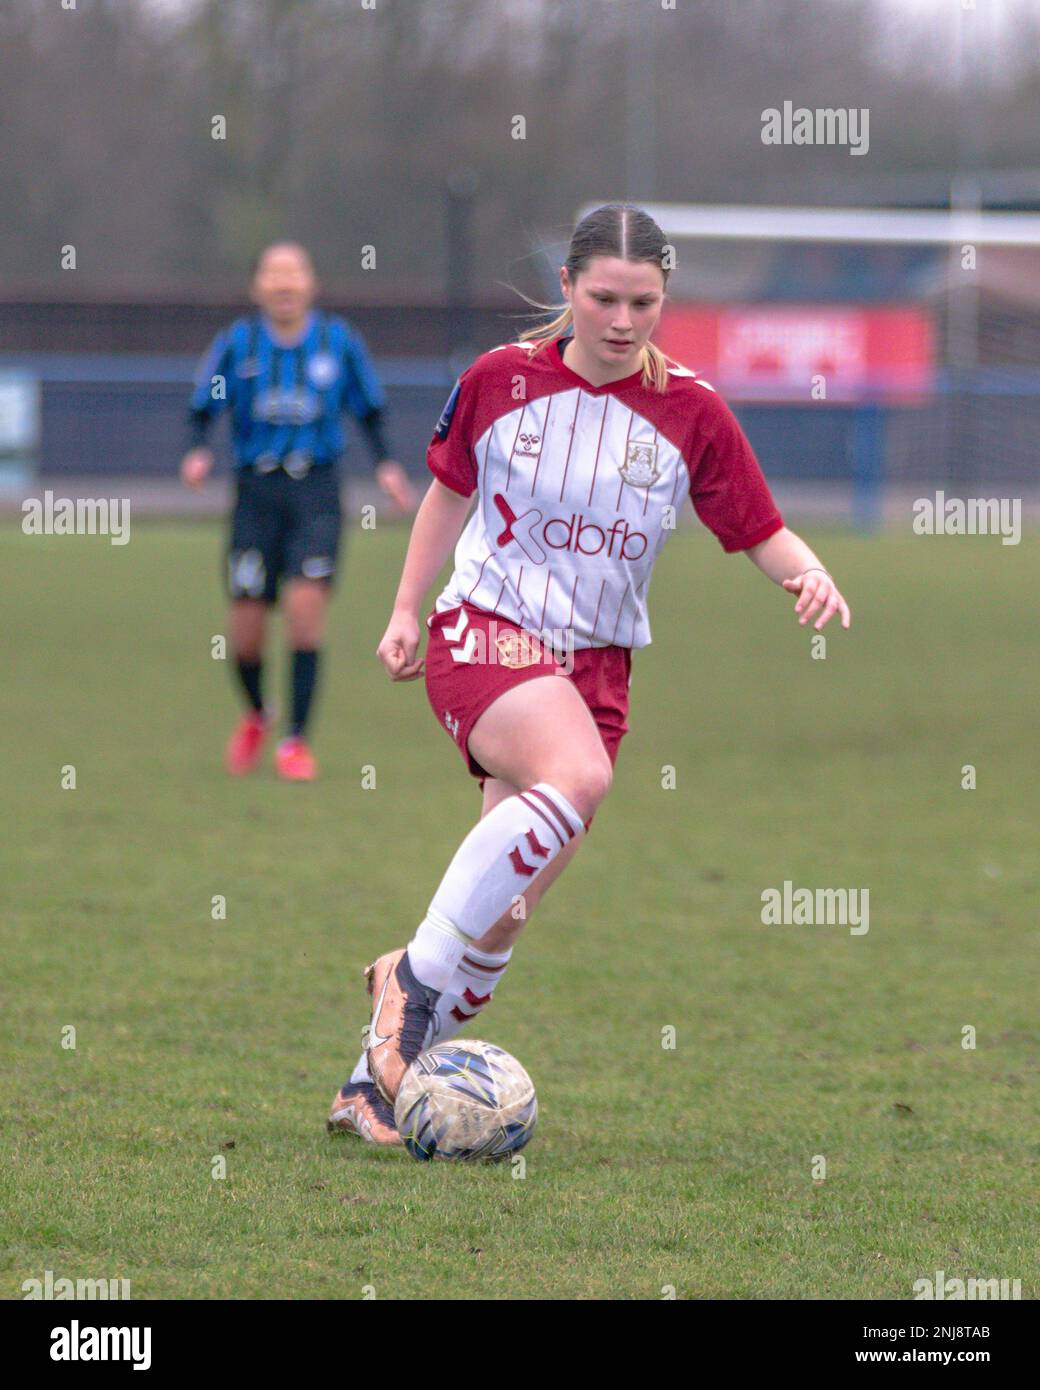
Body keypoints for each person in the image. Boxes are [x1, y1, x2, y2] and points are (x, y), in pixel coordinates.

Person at [326, 204, 851, 1145]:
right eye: (602, 297)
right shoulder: (498, 380)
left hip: (596, 671)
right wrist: (406, 609)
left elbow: (759, 530)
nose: (620, 319)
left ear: (664, 297)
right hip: (485, 629)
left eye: (642, 301)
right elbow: (448, 497)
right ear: (566, 288)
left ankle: (369, 1085)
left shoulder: (692, 410)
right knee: (580, 778)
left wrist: (807, 573)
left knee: (499, 928)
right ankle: (405, 986)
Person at [180, 241, 414, 780]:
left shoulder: (339, 343)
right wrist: (197, 451)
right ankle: (259, 713)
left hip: (317, 493)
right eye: (274, 275)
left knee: (306, 617)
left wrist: (386, 466)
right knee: (245, 631)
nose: (284, 285)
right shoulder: (237, 345)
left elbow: (370, 411)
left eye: (294, 275)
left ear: (310, 284)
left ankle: (296, 741)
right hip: (255, 495)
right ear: (258, 286)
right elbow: (202, 408)